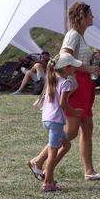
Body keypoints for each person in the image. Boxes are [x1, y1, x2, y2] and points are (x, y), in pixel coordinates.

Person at [29, 2, 100, 181]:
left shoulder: (79, 36)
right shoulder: (72, 35)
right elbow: (64, 57)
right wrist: (87, 69)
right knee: (70, 133)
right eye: (90, 14)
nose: (93, 17)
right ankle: (39, 162)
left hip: (84, 86)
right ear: (82, 16)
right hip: (77, 86)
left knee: (87, 127)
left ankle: (89, 171)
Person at [29, 53, 83, 191]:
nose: (74, 69)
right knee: (53, 152)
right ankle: (47, 183)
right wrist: (75, 112)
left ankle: (48, 173)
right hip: (56, 121)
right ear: (66, 68)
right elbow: (62, 103)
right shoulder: (66, 83)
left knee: (66, 144)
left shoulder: (52, 80)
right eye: (72, 67)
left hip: (47, 119)